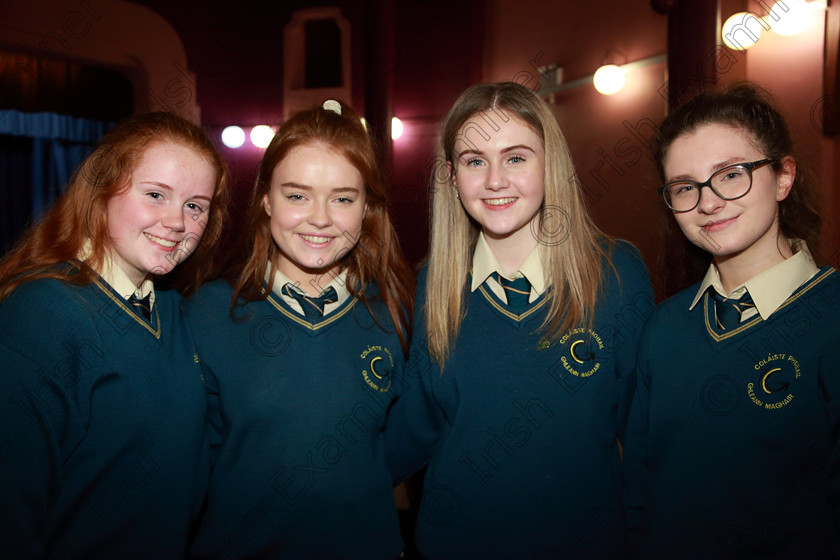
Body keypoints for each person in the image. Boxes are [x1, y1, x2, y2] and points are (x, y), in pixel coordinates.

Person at [385, 81, 654, 559]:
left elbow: (646, 437)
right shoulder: (432, 285)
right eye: (474, 161)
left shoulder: (616, 273)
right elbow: (414, 427)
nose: (494, 180)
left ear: (550, 163)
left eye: (515, 157)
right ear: (451, 176)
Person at [186, 99, 415, 559]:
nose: (320, 218)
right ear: (266, 199)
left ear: (366, 207)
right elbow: (188, 458)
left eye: (343, 198)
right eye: (297, 195)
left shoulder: (396, 312)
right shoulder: (207, 311)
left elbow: (404, 445)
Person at [0, 111, 230, 559]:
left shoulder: (170, 308)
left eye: (195, 205)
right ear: (102, 190)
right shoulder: (42, 314)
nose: (177, 222)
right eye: (155, 194)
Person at [623, 84, 840, 558]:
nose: (709, 202)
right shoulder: (665, 327)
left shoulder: (831, 320)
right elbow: (640, 490)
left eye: (731, 174)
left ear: (783, 176)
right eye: (685, 187)